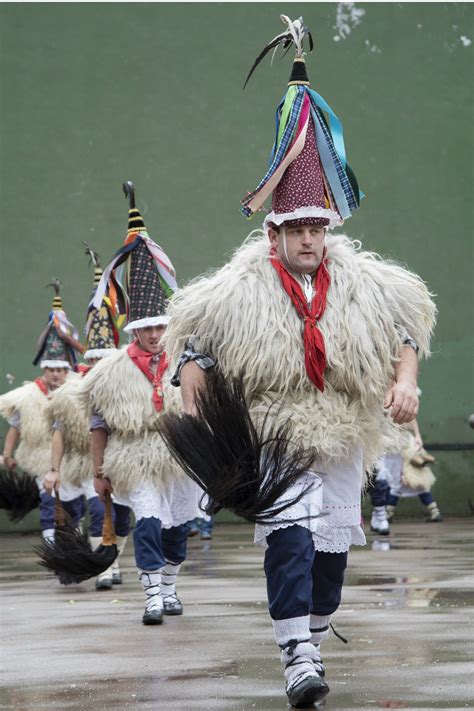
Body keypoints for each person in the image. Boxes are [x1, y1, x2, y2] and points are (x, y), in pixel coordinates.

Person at [162, 16, 436, 708]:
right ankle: (297, 656)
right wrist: (190, 370)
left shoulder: (365, 283)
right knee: (288, 541)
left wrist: (404, 380)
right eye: (297, 228)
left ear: (328, 227)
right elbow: (195, 331)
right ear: (275, 229)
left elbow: (409, 324)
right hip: (278, 434)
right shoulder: (242, 287)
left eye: (318, 226)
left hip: (343, 432)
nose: (309, 238)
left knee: (332, 561)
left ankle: (313, 632)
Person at [79, 182, 207, 624]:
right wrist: (98, 473)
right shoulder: (111, 370)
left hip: (178, 456)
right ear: (135, 329)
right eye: (147, 328)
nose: (155, 335)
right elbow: (98, 423)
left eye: (160, 327)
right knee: (149, 520)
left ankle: (170, 587)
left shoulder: (186, 362)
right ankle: (152, 593)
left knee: (177, 529)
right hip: (134, 456)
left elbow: (203, 412)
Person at [43, 246, 131, 589]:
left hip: (116, 464)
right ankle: (93, 565)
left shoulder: (125, 386)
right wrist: (54, 469)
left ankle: (108, 564)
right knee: (84, 514)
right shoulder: (72, 391)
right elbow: (59, 432)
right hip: (81, 464)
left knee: (113, 516)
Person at [0, 280, 83, 540]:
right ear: (44, 369)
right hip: (41, 459)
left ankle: (73, 540)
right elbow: (16, 425)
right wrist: (7, 454)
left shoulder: (78, 391)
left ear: (66, 370)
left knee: (74, 506)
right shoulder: (28, 396)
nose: (55, 374)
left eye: (60, 369)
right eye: (51, 369)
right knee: (49, 503)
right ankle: (51, 545)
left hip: (72, 461)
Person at [382, 417, 442, 523]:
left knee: (410, 482)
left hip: (401, 445)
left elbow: (411, 417)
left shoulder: (398, 405)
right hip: (392, 445)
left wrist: (418, 436)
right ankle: (386, 513)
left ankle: (387, 514)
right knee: (392, 482)